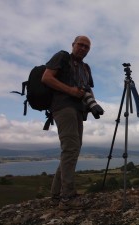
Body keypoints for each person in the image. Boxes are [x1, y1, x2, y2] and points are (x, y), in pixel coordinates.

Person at [42, 35, 103, 210]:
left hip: (78, 110)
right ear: (73, 45)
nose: (83, 48)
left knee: (73, 150)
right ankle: (67, 197)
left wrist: (94, 104)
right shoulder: (62, 57)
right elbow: (46, 78)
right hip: (63, 107)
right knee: (70, 148)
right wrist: (70, 90)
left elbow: (87, 89)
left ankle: (56, 194)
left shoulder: (86, 68)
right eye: (81, 45)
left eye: (87, 47)